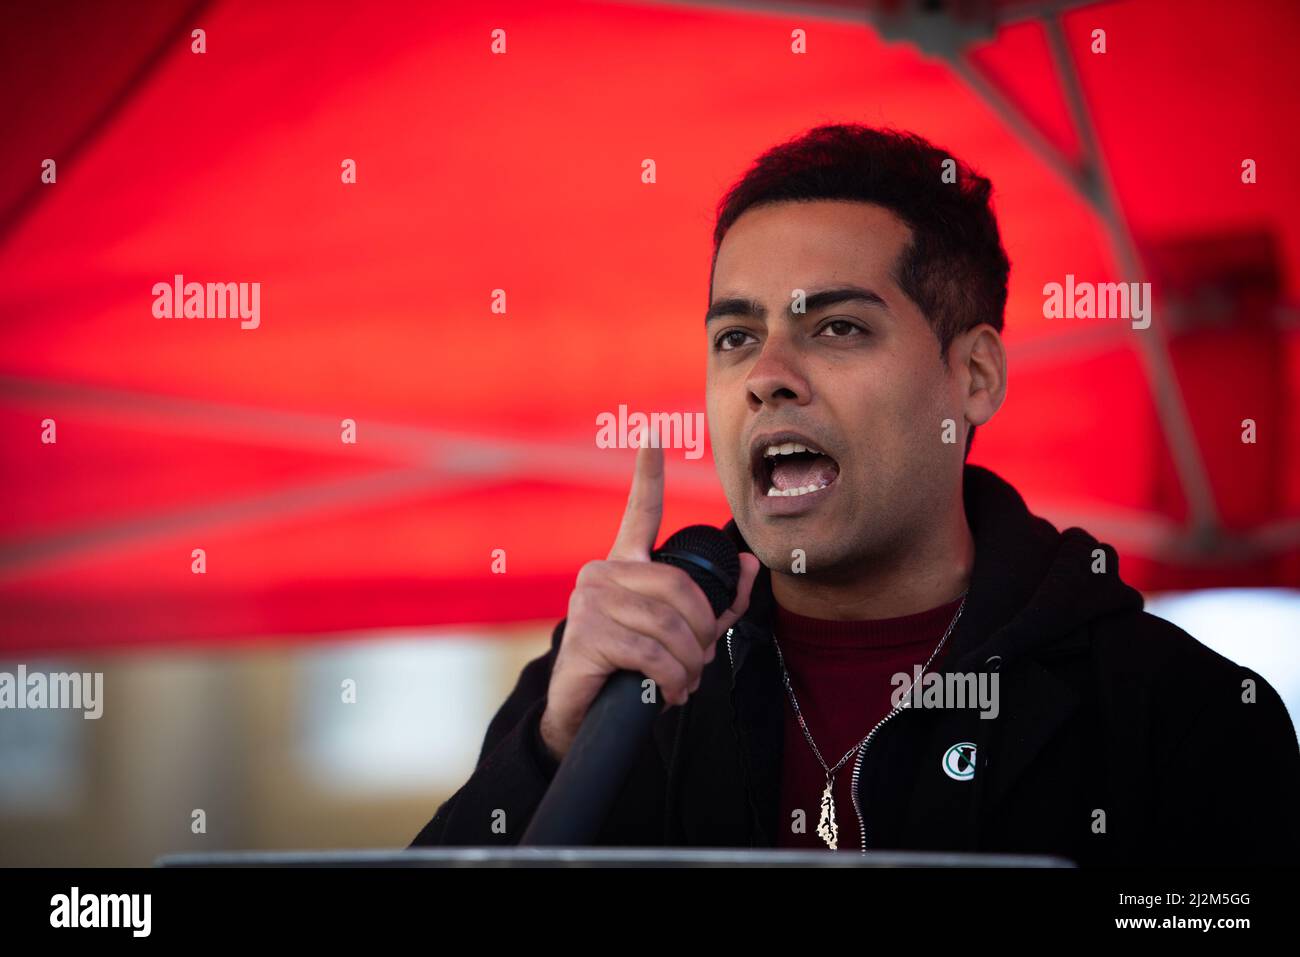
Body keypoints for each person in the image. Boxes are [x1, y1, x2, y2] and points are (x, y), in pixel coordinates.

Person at [410, 124, 1300, 865]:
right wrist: (553, 745)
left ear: (975, 376)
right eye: (735, 336)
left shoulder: (1180, 715)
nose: (767, 376)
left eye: (835, 327)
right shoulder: (621, 677)